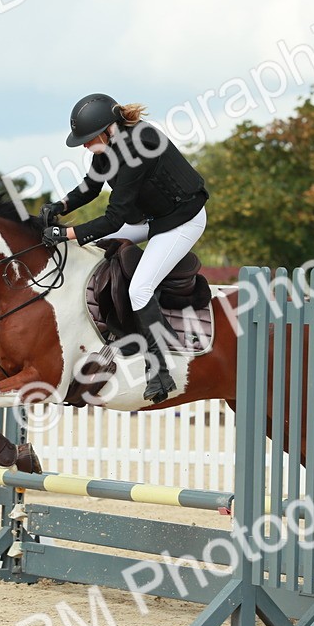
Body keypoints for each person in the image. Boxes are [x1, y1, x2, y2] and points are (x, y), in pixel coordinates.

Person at [39, 93, 209, 403]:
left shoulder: (136, 149)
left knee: (140, 289)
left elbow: (114, 218)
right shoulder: (109, 146)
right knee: (101, 251)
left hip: (183, 220)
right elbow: (91, 187)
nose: (86, 145)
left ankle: (160, 370)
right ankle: (124, 329)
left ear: (108, 129)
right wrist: (59, 205)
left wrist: (65, 233)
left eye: (89, 139)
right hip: (152, 217)